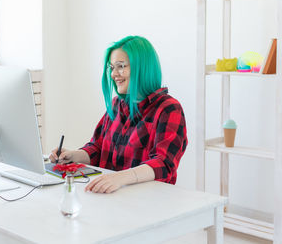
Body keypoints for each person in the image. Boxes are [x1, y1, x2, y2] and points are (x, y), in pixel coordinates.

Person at [49, 35, 188, 193]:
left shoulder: (168, 109)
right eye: (112, 67)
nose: (114, 74)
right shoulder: (117, 105)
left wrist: (120, 178)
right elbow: (98, 147)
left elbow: (164, 163)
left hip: (148, 201)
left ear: (142, 68)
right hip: (111, 196)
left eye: (121, 66)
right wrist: (73, 156)